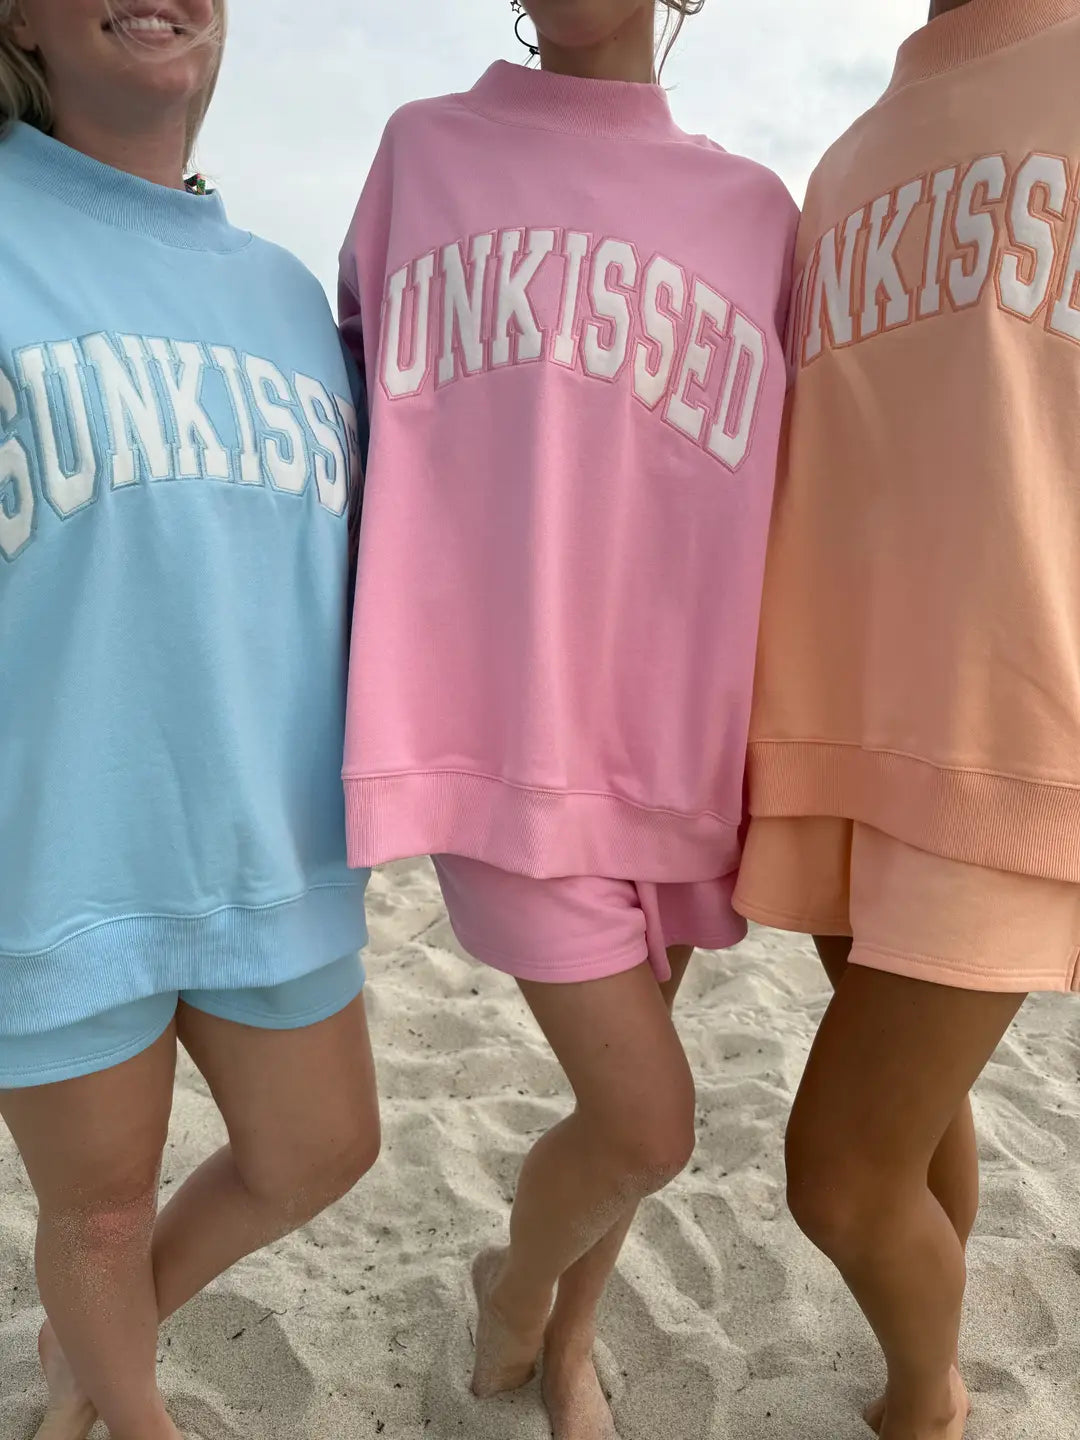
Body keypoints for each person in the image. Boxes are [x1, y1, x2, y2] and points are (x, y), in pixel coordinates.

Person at [338, 2, 797, 1434]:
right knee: (648, 1122)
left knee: (631, 1115)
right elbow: (344, 430)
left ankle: (576, 1336)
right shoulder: (425, 155)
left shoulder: (761, 215)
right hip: (494, 736)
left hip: (683, 746)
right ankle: (516, 1288)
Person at [0, 4, 377, 1437]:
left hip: (270, 842)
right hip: (54, 857)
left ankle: (91, 1357)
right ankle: (126, 1410)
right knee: (96, 1215)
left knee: (323, 1148)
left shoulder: (286, 293)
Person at [732, 1, 1080, 1436]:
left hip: (1017, 732)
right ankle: (925, 1361)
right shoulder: (846, 158)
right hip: (833, 726)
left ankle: (926, 1404)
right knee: (915, 1119)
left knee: (839, 1172)